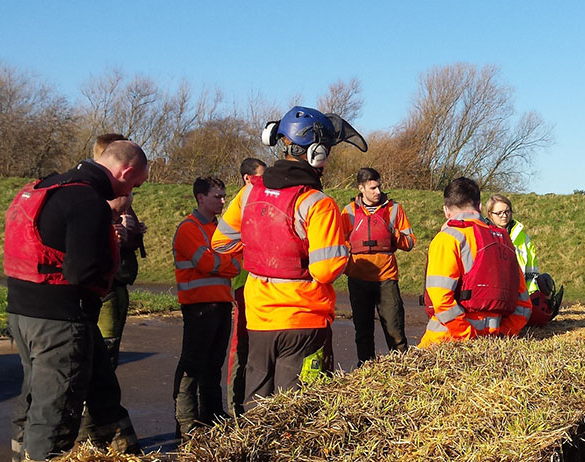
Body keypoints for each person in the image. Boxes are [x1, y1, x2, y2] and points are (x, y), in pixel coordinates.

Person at [4, 140, 147, 461]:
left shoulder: (48, 186)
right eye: (136, 183)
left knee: (97, 390)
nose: (134, 190)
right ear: (125, 172)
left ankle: (124, 452)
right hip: (61, 320)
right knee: (54, 415)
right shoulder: (87, 200)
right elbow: (83, 270)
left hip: (23, 312)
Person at [212, 106, 367, 397]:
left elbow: (221, 242)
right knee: (300, 412)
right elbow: (325, 270)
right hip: (304, 322)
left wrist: (264, 249)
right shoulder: (318, 203)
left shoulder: (248, 192)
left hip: (258, 319)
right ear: (317, 154)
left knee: (258, 408)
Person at [418, 177, 532, 347]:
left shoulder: (448, 238)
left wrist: (468, 337)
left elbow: (441, 300)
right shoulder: (505, 241)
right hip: (492, 341)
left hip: (445, 342)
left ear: (446, 210)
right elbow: (524, 305)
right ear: (479, 207)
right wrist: (502, 336)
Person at [172, 177, 240, 437]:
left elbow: (227, 258)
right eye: (217, 196)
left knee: (213, 363)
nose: (222, 201)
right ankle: (186, 421)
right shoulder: (189, 228)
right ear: (201, 198)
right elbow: (207, 263)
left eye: (223, 196)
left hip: (220, 303)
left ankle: (210, 414)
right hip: (198, 306)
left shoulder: (217, 228)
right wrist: (232, 263)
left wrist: (229, 261)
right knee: (193, 363)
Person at [341, 167, 416, 366]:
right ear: (361, 188)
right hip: (358, 278)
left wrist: (392, 234)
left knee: (395, 330)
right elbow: (339, 243)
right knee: (362, 331)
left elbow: (410, 242)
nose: (377, 191)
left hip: (386, 278)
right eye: (373, 188)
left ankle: (402, 369)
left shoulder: (394, 209)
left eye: (379, 187)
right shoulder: (348, 211)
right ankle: (365, 371)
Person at [93, 133, 148, 369]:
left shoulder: (110, 191)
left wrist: (134, 235)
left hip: (116, 278)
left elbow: (124, 235)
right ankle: (94, 401)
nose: (130, 191)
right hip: (105, 285)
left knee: (107, 348)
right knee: (104, 349)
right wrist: (118, 235)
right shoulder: (100, 194)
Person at [226, 157, 266, 416]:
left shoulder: (259, 199)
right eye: (261, 176)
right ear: (248, 178)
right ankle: (234, 406)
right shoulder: (243, 201)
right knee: (241, 347)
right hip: (245, 284)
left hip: (259, 284)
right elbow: (226, 241)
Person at [485, 194, 563, 325]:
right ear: (490, 214)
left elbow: (531, 272)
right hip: (492, 297)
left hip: (519, 296)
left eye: (507, 211)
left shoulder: (524, 238)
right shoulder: (483, 236)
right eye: (499, 213)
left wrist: (533, 298)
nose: (504, 216)